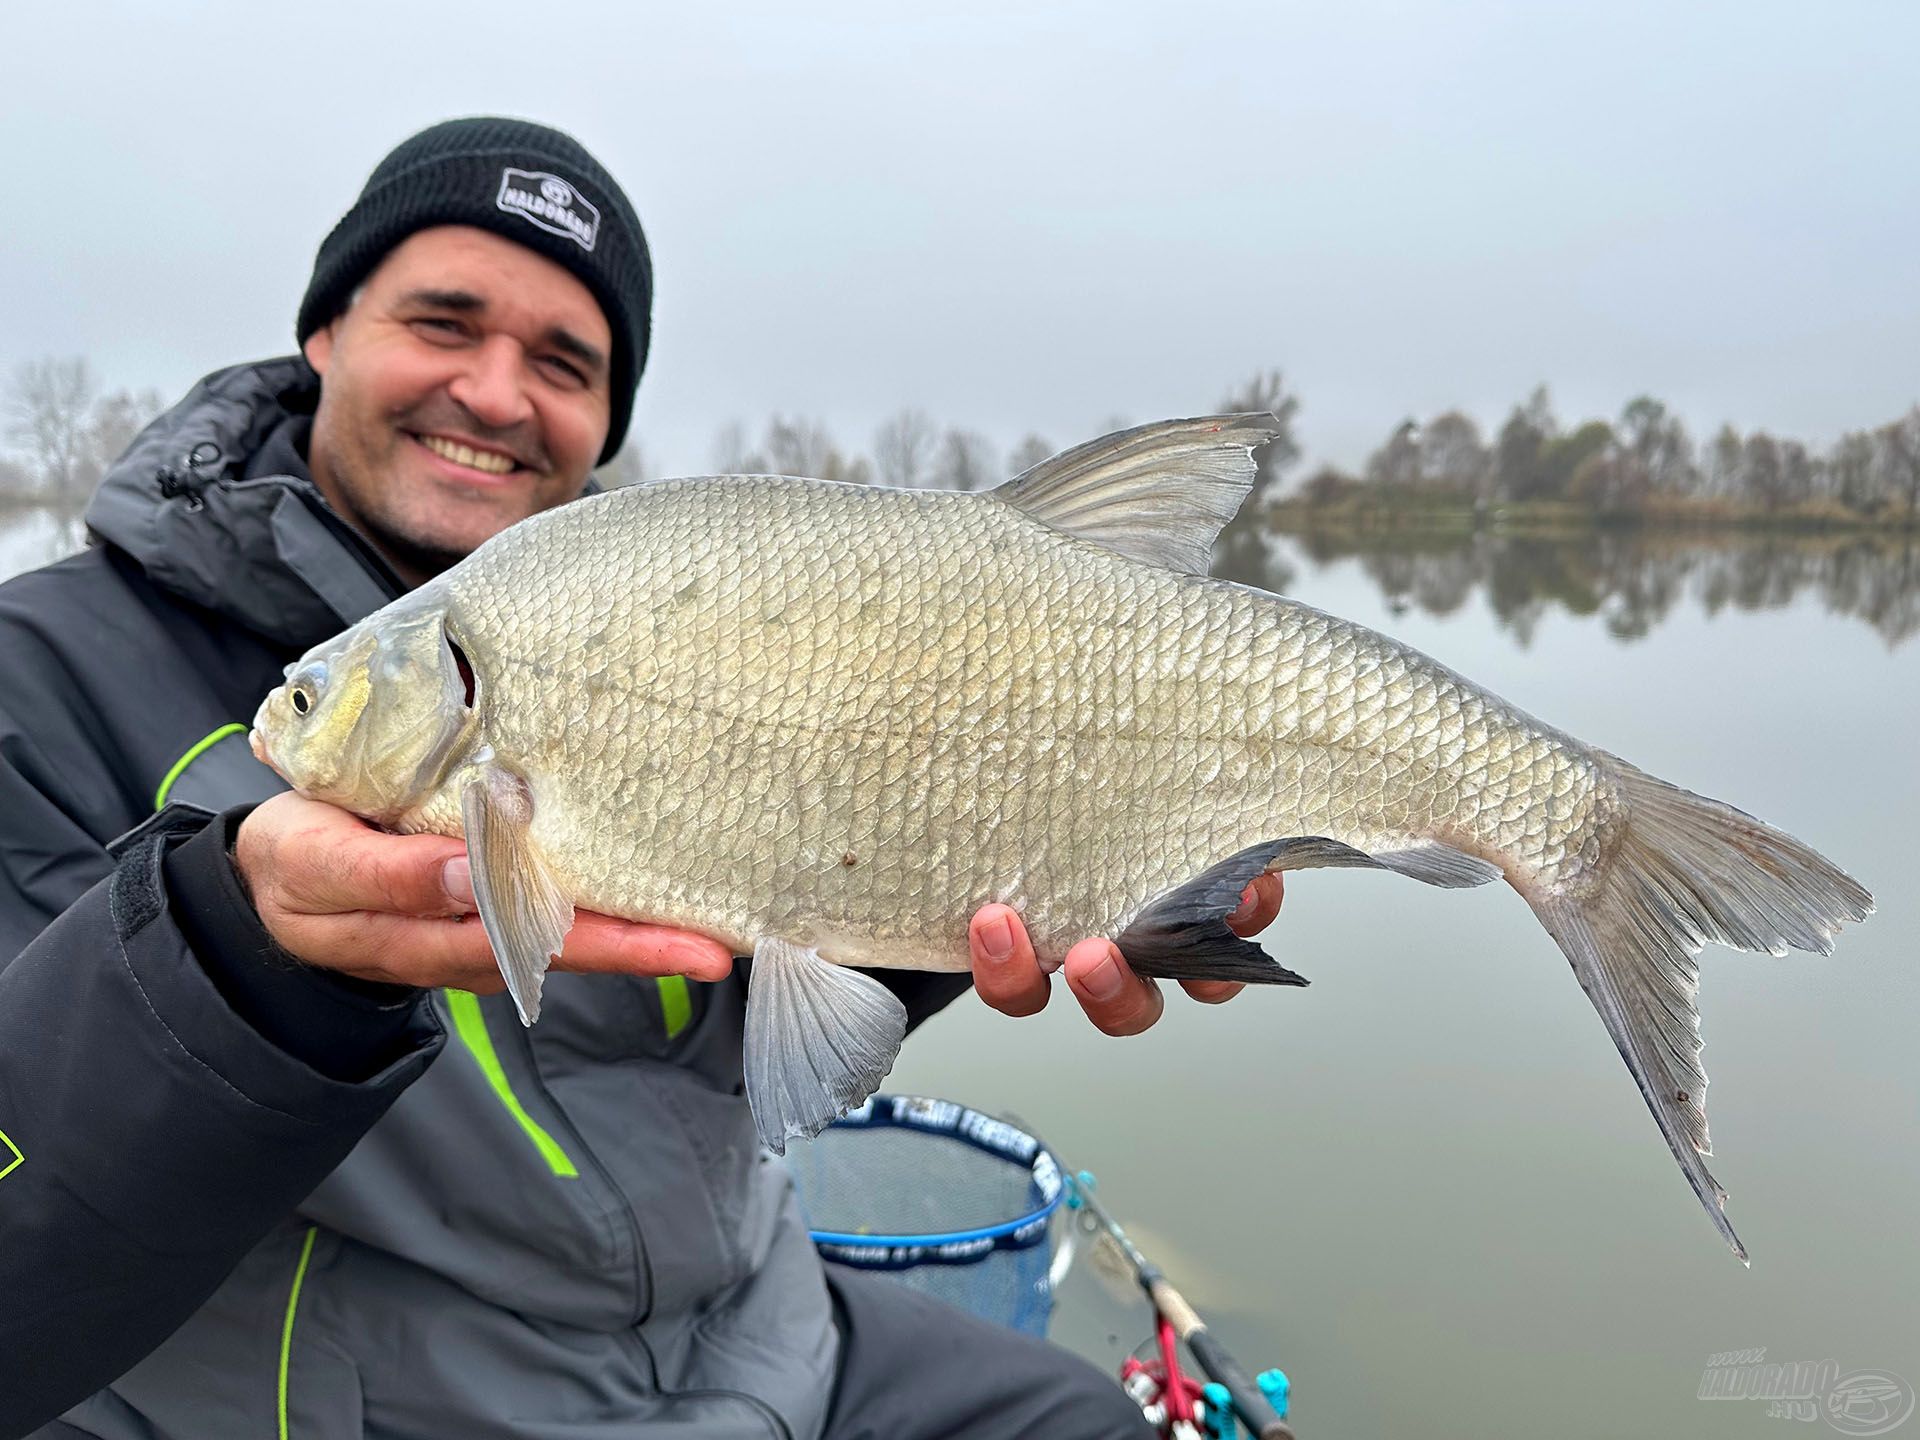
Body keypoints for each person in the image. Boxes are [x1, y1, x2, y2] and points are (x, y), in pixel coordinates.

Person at [0, 118, 1282, 1440]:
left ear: (608, 412)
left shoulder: (684, 610)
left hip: (768, 1341)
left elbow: (759, 1022)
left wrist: (932, 891)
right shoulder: (37, 676)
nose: (498, 394)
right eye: (444, 321)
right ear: (323, 331)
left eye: (564, 359)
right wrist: (235, 961)